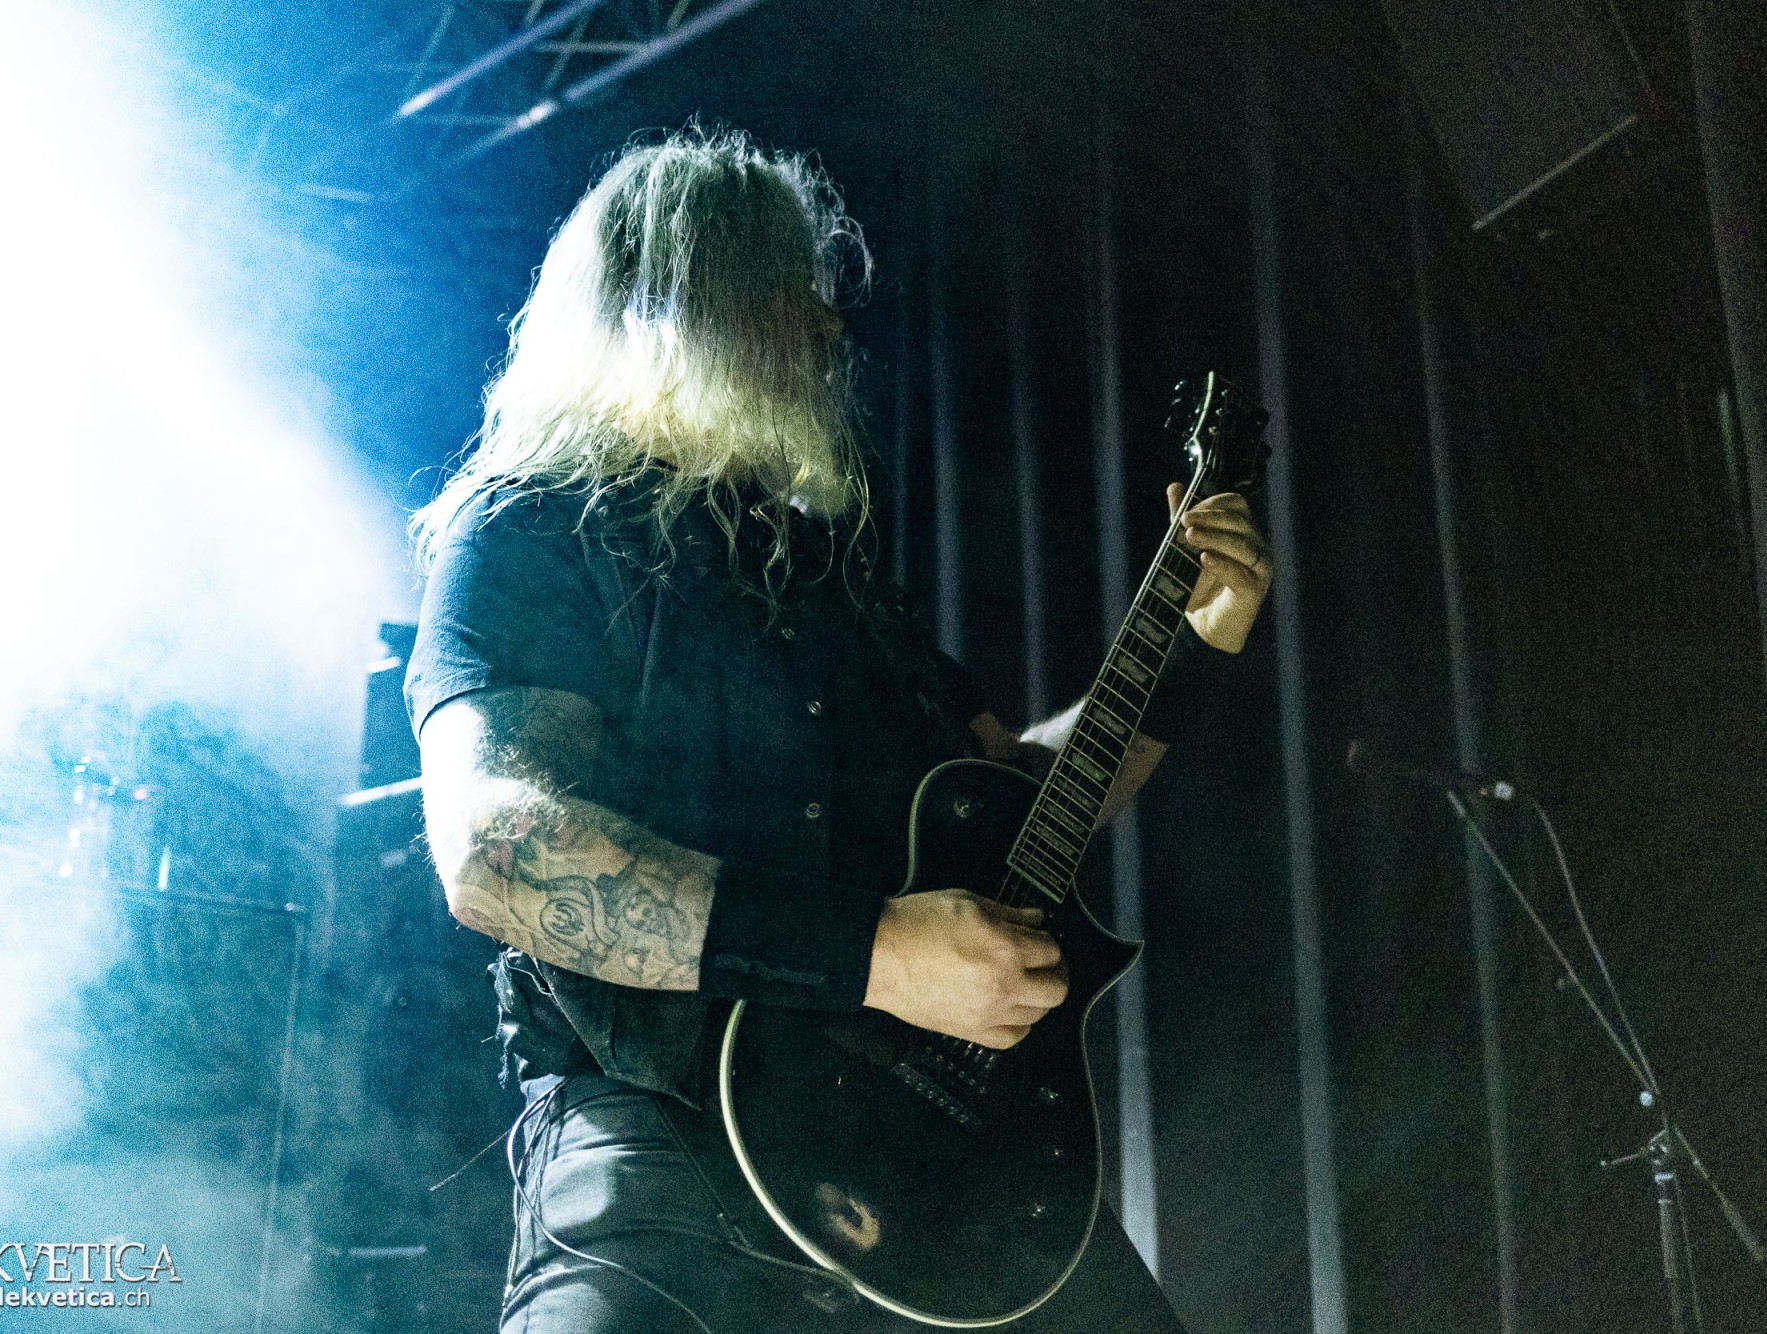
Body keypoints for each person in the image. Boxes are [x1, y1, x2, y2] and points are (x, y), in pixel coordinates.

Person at [404, 128, 1271, 1333]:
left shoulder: (828, 570)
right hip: (665, 1158)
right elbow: (501, 851)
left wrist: (1187, 650)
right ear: (694, 298)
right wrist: (882, 953)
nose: (825, 326)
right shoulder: (530, 532)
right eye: (793, 289)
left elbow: (1015, 798)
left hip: (946, 1167)